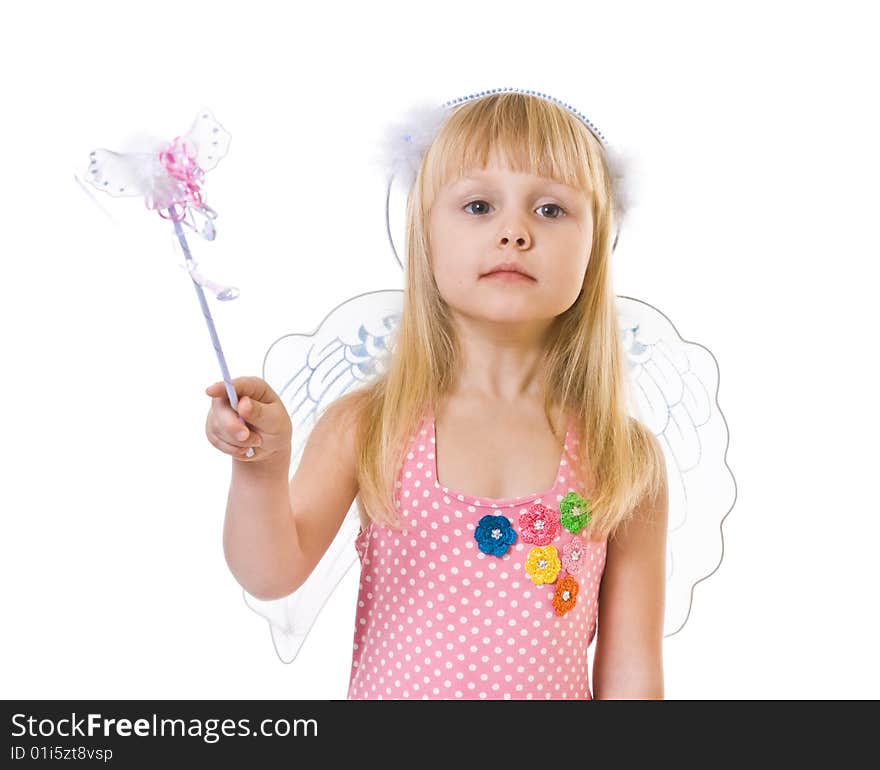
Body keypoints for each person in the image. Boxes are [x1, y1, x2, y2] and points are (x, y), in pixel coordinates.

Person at [205, 90, 669, 700]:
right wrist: (262, 471)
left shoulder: (622, 455)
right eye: (479, 205)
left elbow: (631, 668)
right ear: (426, 235)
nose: (514, 231)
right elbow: (269, 574)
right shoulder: (373, 424)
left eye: (551, 210)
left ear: (596, 242)